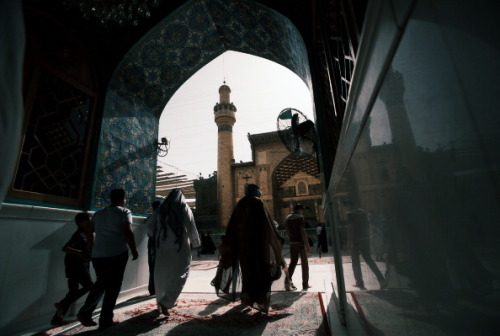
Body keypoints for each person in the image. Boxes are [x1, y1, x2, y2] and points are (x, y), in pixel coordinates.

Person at [211, 184, 284, 313]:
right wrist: (275, 242)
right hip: (258, 245)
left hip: (243, 246)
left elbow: (232, 225)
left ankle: (247, 298)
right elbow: (266, 225)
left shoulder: (241, 203)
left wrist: (230, 243)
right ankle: (259, 300)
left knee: (247, 271)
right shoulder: (257, 202)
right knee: (260, 271)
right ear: (256, 191)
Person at [77, 188, 138, 330]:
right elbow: (127, 231)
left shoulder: (98, 214)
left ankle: (90, 314)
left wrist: (91, 250)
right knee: (113, 287)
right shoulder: (124, 212)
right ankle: (101, 318)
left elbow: (89, 233)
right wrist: (134, 249)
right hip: (116, 253)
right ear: (123, 199)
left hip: (98, 255)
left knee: (101, 282)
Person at [148, 188, 200, 316]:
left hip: (162, 247)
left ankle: (162, 301)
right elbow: (191, 225)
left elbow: (149, 226)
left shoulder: (161, 209)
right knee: (182, 272)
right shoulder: (183, 207)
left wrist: (157, 236)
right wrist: (196, 243)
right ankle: (167, 301)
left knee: (163, 274)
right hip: (179, 246)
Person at [51, 213, 93, 326]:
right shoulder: (79, 235)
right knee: (89, 286)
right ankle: (62, 304)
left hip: (77, 264)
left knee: (73, 291)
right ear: (79, 223)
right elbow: (65, 248)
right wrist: (80, 253)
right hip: (76, 265)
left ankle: (57, 319)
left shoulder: (86, 233)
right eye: (87, 221)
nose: (90, 223)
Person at [347, 207, 386, 290]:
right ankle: (381, 279)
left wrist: (350, 241)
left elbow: (351, 228)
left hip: (356, 240)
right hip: (365, 239)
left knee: (355, 261)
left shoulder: (350, 214)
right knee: (369, 260)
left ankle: (359, 282)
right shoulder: (363, 213)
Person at [285, 204, 311, 291]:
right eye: (302, 210)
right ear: (299, 210)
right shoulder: (300, 218)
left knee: (292, 263)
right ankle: (305, 284)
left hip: (292, 243)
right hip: (300, 244)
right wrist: (307, 245)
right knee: (304, 264)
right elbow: (302, 231)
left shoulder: (288, 218)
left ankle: (287, 282)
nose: (302, 211)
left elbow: (287, 231)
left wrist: (291, 240)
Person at [145, 200, 161, 296]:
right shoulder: (159, 217)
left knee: (153, 266)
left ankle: (153, 289)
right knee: (156, 266)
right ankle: (155, 288)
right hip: (156, 243)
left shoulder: (150, 218)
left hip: (153, 242)